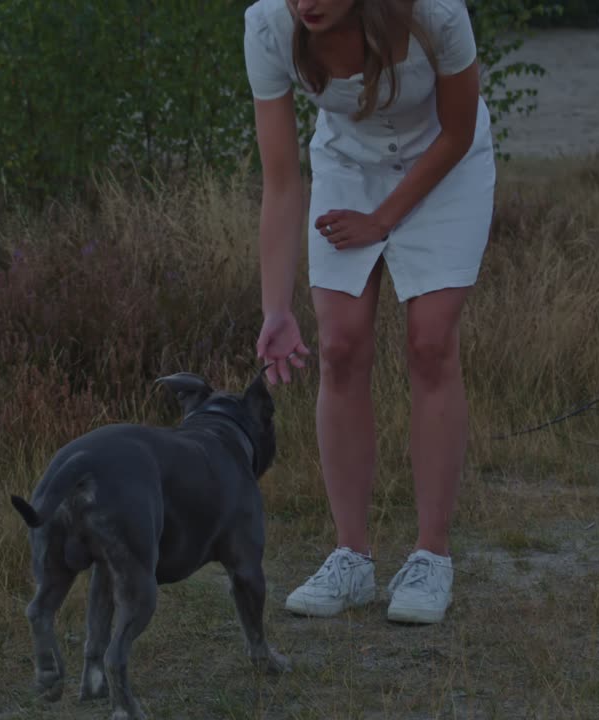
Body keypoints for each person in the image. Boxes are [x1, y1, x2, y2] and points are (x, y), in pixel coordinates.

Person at [242, 0, 496, 624]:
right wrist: (276, 308)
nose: (307, 4)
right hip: (350, 166)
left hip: (446, 166)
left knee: (430, 342)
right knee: (341, 347)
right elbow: (280, 182)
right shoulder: (269, 26)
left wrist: (383, 221)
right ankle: (351, 558)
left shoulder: (435, 12)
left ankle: (431, 558)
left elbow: (459, 132)